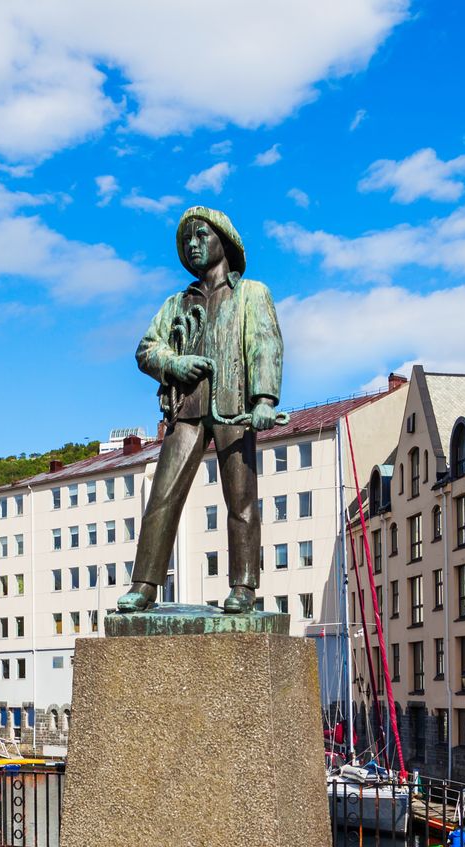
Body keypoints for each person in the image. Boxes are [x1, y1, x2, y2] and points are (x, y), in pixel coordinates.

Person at [116, 206, 284, 614]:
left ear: (223, 240)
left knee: (241, 500)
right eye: (186, 240)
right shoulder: (177, 302)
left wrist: (264, 400)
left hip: (235, 408)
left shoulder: (251, 293)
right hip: (186, 409)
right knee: (163, 495)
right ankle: (144, 585)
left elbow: (265, 345)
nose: (192, 245)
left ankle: (243, 585)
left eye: (200, 236)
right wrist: (173, 364)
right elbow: (147, 349)